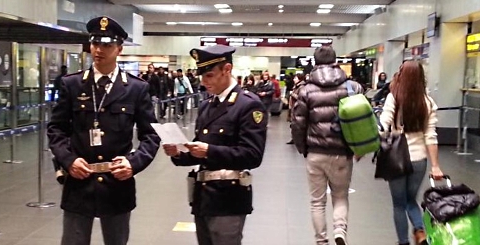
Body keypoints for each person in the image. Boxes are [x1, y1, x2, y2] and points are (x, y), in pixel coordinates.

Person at [47, 16, 161, 245]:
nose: (99, 50)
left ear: (119, 49)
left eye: (107, 45)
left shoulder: (136, 89)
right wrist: (68, 160)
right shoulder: (72, 84)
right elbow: (56, 129)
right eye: (95, 43)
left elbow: (151, 135)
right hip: (79, 182)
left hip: (116, 183)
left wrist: (134, 163)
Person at [163, 45, 267, 245]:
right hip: (203, 195)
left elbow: (253, 155)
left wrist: (209, 151)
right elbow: (198, 150)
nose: (204, 82)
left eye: (210, 75)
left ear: (227, 70)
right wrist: (179, 153)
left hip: (229, 196)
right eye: (202, 76)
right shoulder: (207, 106)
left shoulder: (247, 105)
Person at [291, 46, 363, 245]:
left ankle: (321, 241)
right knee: (340, 197)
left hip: (316, 152)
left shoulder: (305, 89)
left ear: (314, 63)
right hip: (342, 152)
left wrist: (302, 148)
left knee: (317, 201)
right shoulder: (352, 87)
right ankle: (340, 231)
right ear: (335, 61)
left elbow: (297, 122)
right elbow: (363, 119)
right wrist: (359, 147)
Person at [378, 61, 444, 245]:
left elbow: (383, 126)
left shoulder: (395, 98)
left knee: (399, 204)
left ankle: (403, 242)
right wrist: (436, 166)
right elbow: (431, 136)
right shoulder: (428, 102)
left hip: (397, 158)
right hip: (419, 160)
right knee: (411, 200)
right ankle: (420, 231)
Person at [286, 73, 306, 144]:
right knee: (293, 124)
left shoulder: (301, 87)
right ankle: (294, 138)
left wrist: (292, 94)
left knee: (296, 124)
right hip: (293, 107)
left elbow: (300, 98)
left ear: (299, 79)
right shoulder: (296, 86)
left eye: (295, 78)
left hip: (297, 108)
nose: (294, 79)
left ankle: (298, 139)